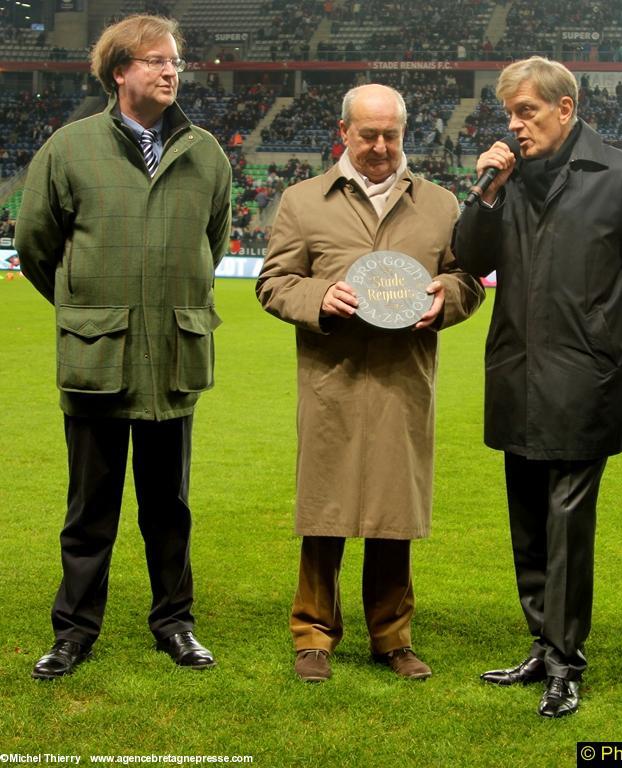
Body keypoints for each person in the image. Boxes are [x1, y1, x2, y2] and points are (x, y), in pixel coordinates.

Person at [454, 56, 622, 717]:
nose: (515, 125)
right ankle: (540, 645)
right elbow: (470, 257)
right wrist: (486, 192)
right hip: (516, 375)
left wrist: (604, 342)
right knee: (527, 524)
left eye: (526, 111)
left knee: (566, 525)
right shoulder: (507, 180)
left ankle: (565, 662)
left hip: (585, 382)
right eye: (509, 114)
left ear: (564, 109)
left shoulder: (621, 176)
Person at [16, 14, 232, 679]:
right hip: (97, 361)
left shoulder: (207, 154)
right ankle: (74, 631)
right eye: (155, 60)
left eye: (176, 62)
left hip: (171, 359)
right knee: (89, 513)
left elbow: (213, 247)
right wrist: (88, 312)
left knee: (169, 509)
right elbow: (34, 248)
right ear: (120, 71)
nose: (171, 71)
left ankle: (175, 624)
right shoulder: (68, 147)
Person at [256, 83, 484, 683]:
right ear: (344, 133)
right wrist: (317, 297)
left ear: (404, 134)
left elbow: (468, 281)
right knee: (323, 510)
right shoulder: (303, 202)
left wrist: (447, 301)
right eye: (368, 135)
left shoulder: (439, 205)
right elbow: (273, 282)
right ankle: (312, 635)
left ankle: (392, 636)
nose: (381, 147)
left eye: (391, 135)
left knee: (393, 513)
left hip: (403, 379)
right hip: (330, 378)